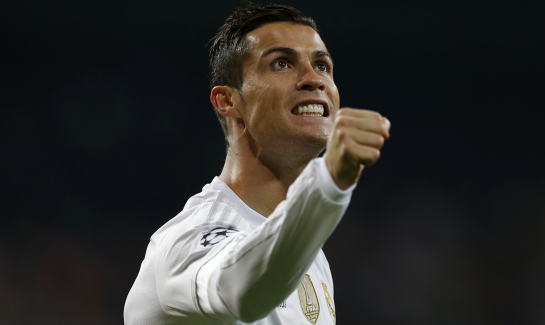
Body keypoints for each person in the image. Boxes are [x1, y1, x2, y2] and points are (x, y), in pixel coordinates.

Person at [124, 2, 390, 324]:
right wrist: (328, 182)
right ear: (228, 101)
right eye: (281, 63)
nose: (313, 79)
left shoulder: (311, 256)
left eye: (322, 65)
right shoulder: (186, 240)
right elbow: (241, 294)